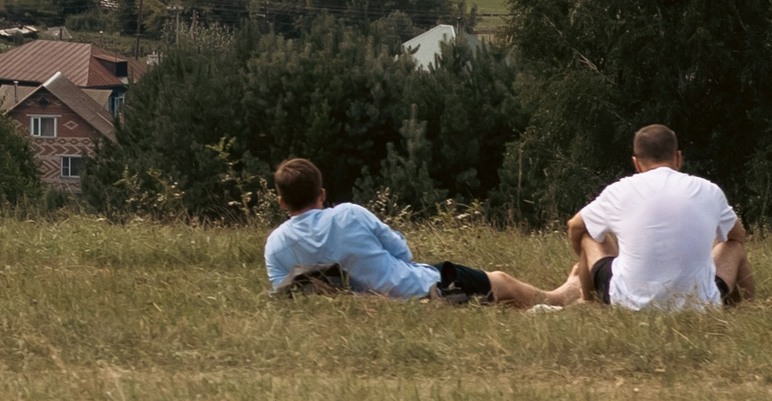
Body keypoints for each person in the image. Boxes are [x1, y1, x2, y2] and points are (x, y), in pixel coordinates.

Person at [263, 158, 540, 305]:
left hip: (370, 304)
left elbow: (290, 296)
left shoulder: (275, 245)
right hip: (422, 289)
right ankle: (560, 298)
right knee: (501, 282)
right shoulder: (349, 213)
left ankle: (544, 308)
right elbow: (403, 253)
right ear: (322, 193)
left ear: (281, 202)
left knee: (499, 303)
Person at [532, 125, 752, 310]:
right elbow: (737, 236)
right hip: (699, 304)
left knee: (588, 234)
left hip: (626, 302)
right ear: (678, 158)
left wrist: (586, 261)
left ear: (636, 163)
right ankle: (747, 306)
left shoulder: (620, 190)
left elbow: (574, 226)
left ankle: (589, 302)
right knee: (733, 245)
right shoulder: (708, 190)